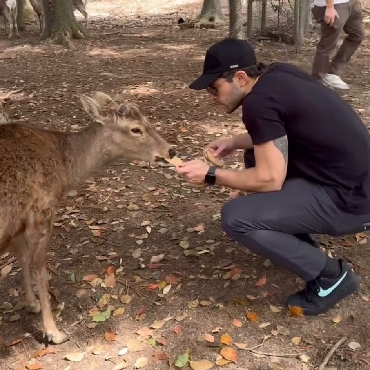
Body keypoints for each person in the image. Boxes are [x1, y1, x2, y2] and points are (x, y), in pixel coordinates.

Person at [175, 38, 370, 316]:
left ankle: (331, 278)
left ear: (240, 77)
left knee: (236, 218)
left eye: (214, 87)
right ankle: (297, 239)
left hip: (351, 202)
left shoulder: (258, 103)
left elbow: (270, 179)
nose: (212, 96)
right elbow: (285, 131)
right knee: (254, 155)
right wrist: (234, 142)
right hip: (355, 183)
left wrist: (210, 175)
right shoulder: (277, 76)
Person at [311, 0, 364, 90]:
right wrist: (330, 7)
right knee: (328, 43)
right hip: (333, 5)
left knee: (357, 35)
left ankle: (332, 73)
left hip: (350, 3)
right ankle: (317, 81)